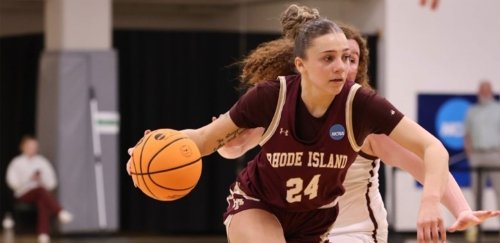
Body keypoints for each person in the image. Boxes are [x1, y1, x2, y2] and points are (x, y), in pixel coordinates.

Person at [128, 7, 451, 243]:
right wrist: (156, 146)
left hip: (316, 220)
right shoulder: (270, 97)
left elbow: (432, 147)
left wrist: (430, 203)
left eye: (345, 57)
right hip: (258, 205)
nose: (340, 67)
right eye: (328, 58)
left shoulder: (361, 104)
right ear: (301, 64)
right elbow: (203, 140)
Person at [215, 5, 500, 243]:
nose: (343, 65)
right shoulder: (285, 105)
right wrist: (224, 142)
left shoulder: (366, 118)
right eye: (332, 57)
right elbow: (236, 148)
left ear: (359, 66)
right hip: (298, 227)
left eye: (351, 58)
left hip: (355, 231)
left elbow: (425, 162)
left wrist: (461, 209)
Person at [6, 135, 73, 243]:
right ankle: (59, 211)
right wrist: (28, 179)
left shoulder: (42, 162)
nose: (33, 149)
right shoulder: (16, 162)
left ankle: (43, 234)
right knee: (41, 192)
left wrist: (41, 179)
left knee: (42, 198)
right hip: (23, 194)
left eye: (34, 146)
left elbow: (52, 183)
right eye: (30, 146)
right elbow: (12, 182)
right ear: (23, 147)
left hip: (41, 193)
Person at [464, 81, 500, 224]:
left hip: (495, 155)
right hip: (477, 155)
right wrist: (470, 153)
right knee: (476, 194)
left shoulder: (498, 109)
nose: (484, 93)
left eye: (487, 90)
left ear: (491, 91)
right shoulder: (472, 111)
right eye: (481, 90)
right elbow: (467, 135)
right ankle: (476, 229)